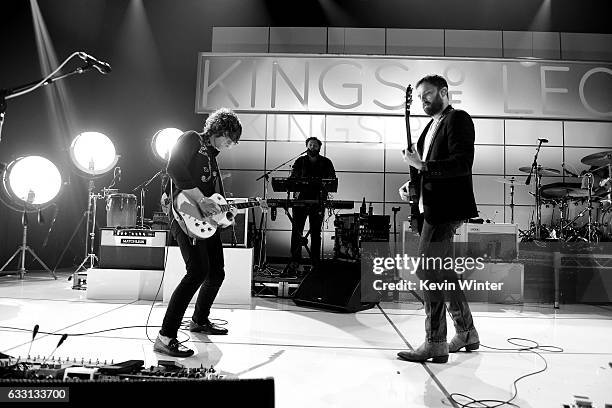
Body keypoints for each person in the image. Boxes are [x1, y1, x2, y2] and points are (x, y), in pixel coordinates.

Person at [397, 75, 479, 363]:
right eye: (420, 97)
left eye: (428, 94)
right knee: (443, 273)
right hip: (431, 209)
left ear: (444, 91)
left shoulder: (458, 119)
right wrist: (413, 184)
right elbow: (426, 171)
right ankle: (467, 332)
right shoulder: (430, 128)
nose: (423, 101)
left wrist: (421, 165)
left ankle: (435, 342)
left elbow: (461, 164)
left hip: (446, 209)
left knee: (427, 271)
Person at [154, 108, 242, 357]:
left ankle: (199, 320)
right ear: (221, 130)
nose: (231, 145)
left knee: (216, 271)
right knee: (197, 271)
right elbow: (174, 168)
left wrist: (225, 214)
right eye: (230, 139)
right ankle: (165, 336)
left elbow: (214, 199)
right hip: (183, 212)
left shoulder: (213, 158)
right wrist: (201, 199)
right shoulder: (192, 138)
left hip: (203, 219)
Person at [283, 137, 336, 276]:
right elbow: (293, 178)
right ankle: (295, 262)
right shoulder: (299, 161)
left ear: (319, 147)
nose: (312, 147)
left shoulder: (326, 162)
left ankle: (315, 263)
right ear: (306, 146)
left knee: (316, 233)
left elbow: (332, 180)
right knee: (296, 232)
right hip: (300, 201)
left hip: (318, 202)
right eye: (310, 145)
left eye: (315, 145)